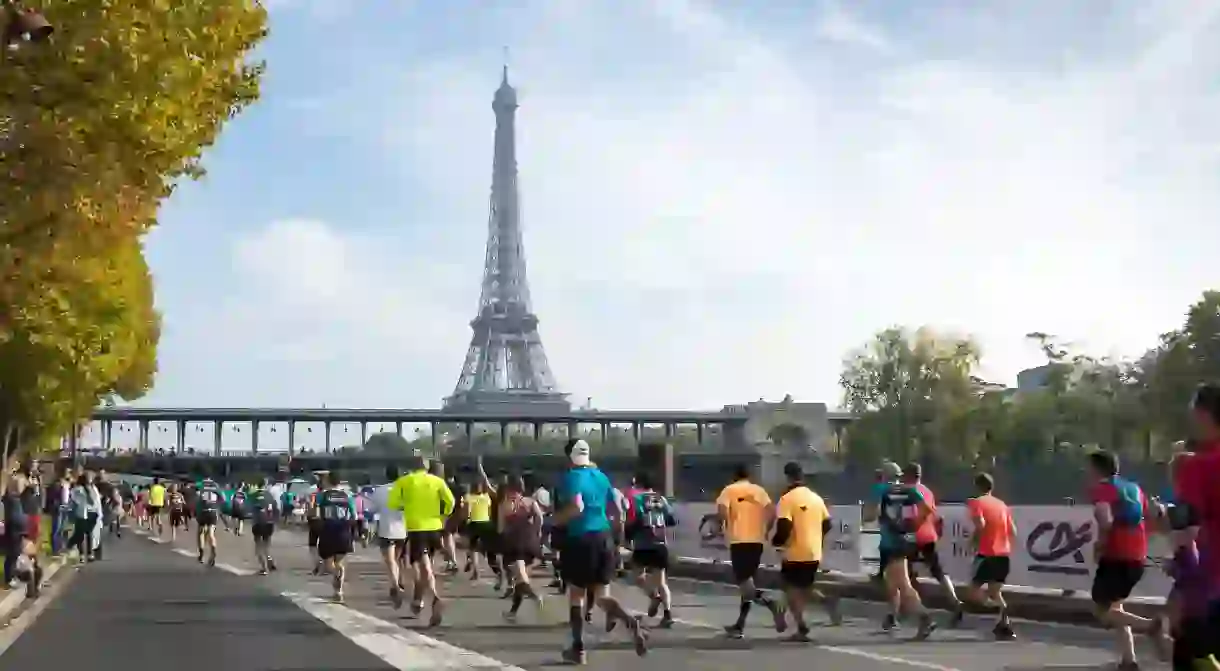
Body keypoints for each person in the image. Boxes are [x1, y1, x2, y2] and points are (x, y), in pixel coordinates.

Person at [555, 439, 646, 664]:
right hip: (603, 537)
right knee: (602, 596)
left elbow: (577, 506)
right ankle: (629, 621)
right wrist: (616, 538)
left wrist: (554, 521)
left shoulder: (571, 477)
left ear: (569, 456)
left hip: (581, 539)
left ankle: (578, 649)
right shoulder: (601, 476)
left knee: (576, 595)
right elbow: (617, 509)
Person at [1085, 449, 1167, 670]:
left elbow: (1105, 520)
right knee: (1116, 607)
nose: (1087, 471)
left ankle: (1150, 626)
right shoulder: (1134, 488)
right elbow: (1153, 516)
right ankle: (1128, 661)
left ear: (1096, 469)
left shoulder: (1103, 489)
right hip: (1137, 556)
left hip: (1117, 556)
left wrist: (1100, 545)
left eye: (1089, 467)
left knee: (1101, 610)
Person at [865, 461, 935, 639]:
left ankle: (924, 616)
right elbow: (927, 510)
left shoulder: (880, 490)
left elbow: (869, 516)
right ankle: (892, 616)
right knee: (892, 581)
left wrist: (875, 514)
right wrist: (912, 525)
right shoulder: (908, 490)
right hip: (904, 540)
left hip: (890, 542)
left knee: (903, 584)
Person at [771, 462, 841, 641]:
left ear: (787, 477)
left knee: (791, 590)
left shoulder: (786, 499)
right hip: (814, 552)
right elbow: (828, 524)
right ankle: (826, 602)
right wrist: (815, 537)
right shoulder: (815, 498)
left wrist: (777, 541)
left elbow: (784, 527)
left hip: (794, 552)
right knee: (804, 587)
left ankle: (801, 627)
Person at [715, 463, 785, 639]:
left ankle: (771, 603)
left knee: (745, 584)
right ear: (749, 477)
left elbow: (722, 512)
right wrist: (766, 530)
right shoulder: (759, 491)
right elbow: (773, 512)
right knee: (748, 582)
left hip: (739, 541)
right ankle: (739, 625)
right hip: (757, 541)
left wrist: (721, 526)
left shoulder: (729, 490)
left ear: (734, 477)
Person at [388, 456, 454, 625]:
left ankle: (435, 598)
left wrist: (406, 506)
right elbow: (451, 502)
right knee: (427, 565)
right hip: (435, 527)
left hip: (416, 528)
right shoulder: (437, 481)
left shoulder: (404, 481)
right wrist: (442, 514)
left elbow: (393, 503)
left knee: (421, 568)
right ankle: (420, 600)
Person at [902, 463, 964, 624]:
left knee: (904, 572)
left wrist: (909, 528)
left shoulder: (906, 491)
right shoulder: (927, 491)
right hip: (929, 534)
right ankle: (956, 602)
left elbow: (912, 516)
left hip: (913, 535)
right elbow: (935, 514)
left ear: (907, 475)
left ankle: (913, 606)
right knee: (938, 571)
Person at [963, 472, 1017, 640]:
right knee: (995, 592)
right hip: (1003, 554)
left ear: (977, 487)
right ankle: (1005, 626)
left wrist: (973, 541)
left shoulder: (976, 502)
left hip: (987, 553)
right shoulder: (1002, 505)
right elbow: (1013, 531)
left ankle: (996, 610)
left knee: (972, 593)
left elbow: (981, 524)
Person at [624, 472, 676, 628]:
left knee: (637, 576)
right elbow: (671, 519)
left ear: (638, 484)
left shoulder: (636, 499)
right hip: (660, 544)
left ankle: (654, 597)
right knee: (661, 581)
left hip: (643, 545)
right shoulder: (661, 499)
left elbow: (633, 520)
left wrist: (627, 537)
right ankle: (667, 614)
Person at [498, 474, 545, 622]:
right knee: (520, 579)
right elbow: (540, 518)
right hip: (530, 543)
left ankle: (536, 596)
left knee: (521, 579)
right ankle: (512, 612)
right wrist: (536, 533)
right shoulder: (530, 502)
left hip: (514, 544)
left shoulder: (505, 504)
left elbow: (500, 528)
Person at [314, 472, 357, 602]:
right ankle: (338, 591)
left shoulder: (322, 495)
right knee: (339, 562)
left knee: (329, 564)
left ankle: (335, 575)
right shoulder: (347, 496)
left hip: (328, 530)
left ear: (328, 481)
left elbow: (316, 514)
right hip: (343, 530)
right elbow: (354, 515)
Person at [372, 465, 409, 608]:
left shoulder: (380, 490)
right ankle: (399, 582)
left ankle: (395, 586)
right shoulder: (405, 490)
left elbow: (373, 509)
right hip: (403, 529)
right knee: (398, 559)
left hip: (386, 529)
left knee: (390, 561)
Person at [249, 481, 279, 575]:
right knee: (266, 545)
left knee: (258, 547)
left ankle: (264, 568)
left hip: (259, 523)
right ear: (265, 485)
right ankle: (270, 562)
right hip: (269, 523)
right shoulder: (270, 495)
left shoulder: (255, 496)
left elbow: (251, 510)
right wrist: (274, 520)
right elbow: (276, 509)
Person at [195, 478, 224, 566]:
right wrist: (216, 505)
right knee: (211, 533)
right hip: (213, 511)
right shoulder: (216, 488)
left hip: (204, 511)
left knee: (201, 532)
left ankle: (201, 554)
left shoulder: (202, 488)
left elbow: (198, 501)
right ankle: (213, 551)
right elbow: (223, 500)